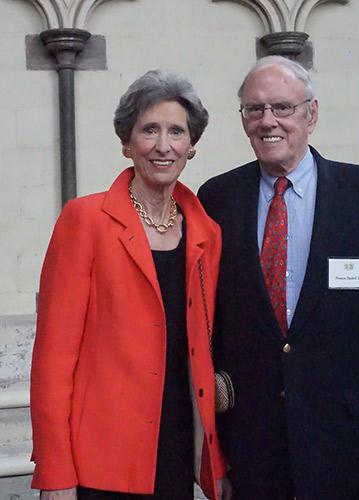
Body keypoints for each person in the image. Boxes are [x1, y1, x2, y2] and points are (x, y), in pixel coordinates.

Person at [198, 56, 359, 500]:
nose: (268, 121)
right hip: (250, 444)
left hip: (346, 444)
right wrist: (210, 449)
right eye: (254, 109)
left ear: (311, 114)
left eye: (282, 107)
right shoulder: (216, 199)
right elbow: (209, 330)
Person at [31, 70, 230, 500]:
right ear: (127, 142)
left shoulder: (205, 232)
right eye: (149, 130)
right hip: (99, 459)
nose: (164, 145)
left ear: (191, 145)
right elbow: (52, 359)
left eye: (177, 131)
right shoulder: (85, 222)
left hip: (175, 450)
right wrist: (55, 471)